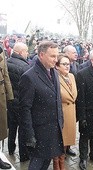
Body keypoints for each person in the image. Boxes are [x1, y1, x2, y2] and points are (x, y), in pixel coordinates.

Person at [19, 41, 64, 170]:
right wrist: (29, 135)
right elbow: (25, 109)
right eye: (52, 56)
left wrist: (61, 121)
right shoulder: (29, 77)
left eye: (57, 56)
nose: (56, 60)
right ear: (41, 55)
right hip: (38, 133)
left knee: (46, 163)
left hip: (53, 129)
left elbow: (57, 98)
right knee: (36, 165)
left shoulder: (54, 72)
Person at [7, 42, 30, 162]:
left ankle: (10, 149)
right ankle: (24, 155)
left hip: (10, 102)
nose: (28, 54)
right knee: (23, 130)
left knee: (12, 127)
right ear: (21, 52)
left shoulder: (7, 62)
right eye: (26, 51)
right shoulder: (25, 67)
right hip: (21, 103)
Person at [54, 54, 77, 169]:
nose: (67, 66)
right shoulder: (54, 77)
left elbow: (74, 96)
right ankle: (57, 163)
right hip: (61, 114)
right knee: (59, 141)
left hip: (70, 114)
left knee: (66, 142)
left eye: (68, 64)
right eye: (64, 64)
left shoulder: (72, 76)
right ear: (57, 66)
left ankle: (62, 161)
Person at [63, 45, 79, 156]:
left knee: (71, 127)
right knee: (65, 127)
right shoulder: (60, 66)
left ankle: (68, 147)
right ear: (67, 54)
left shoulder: (77, 65)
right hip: (65, 101)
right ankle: (62, 149)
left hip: (74, 99)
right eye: (73, 52)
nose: (76, 54)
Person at [0, 44, 13, 169]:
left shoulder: (1, 51)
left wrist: (10, 96)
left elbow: (6, 75)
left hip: (1, 94)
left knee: (0, 128)